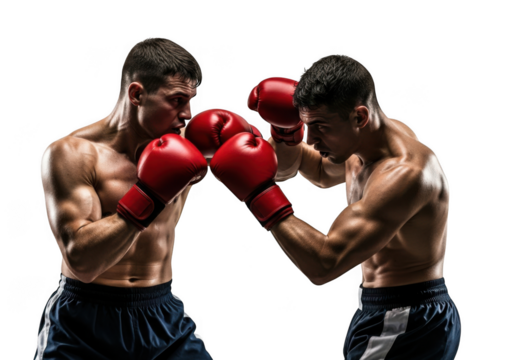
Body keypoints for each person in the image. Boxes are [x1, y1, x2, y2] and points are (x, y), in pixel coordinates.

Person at [206, 55, 461, 359]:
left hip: (407, 317)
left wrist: (259, 194)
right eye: (305, 126)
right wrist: (284, 135)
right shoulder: (364, 143)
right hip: (384, 309)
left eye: (319, 127)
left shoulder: (405, 174)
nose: (310, 139)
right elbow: (318, 171)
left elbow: (324, 264)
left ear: (359, 117)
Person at [37, 37, 217, 359]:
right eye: (177, 100)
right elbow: (82, 260)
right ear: (137, 94)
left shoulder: (189, 145)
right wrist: (150, 193)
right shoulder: (73, 154)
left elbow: (279, 168)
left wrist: (286, 132)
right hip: (83, 320)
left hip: (162, 314)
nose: (188, 114)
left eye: (191, 101)